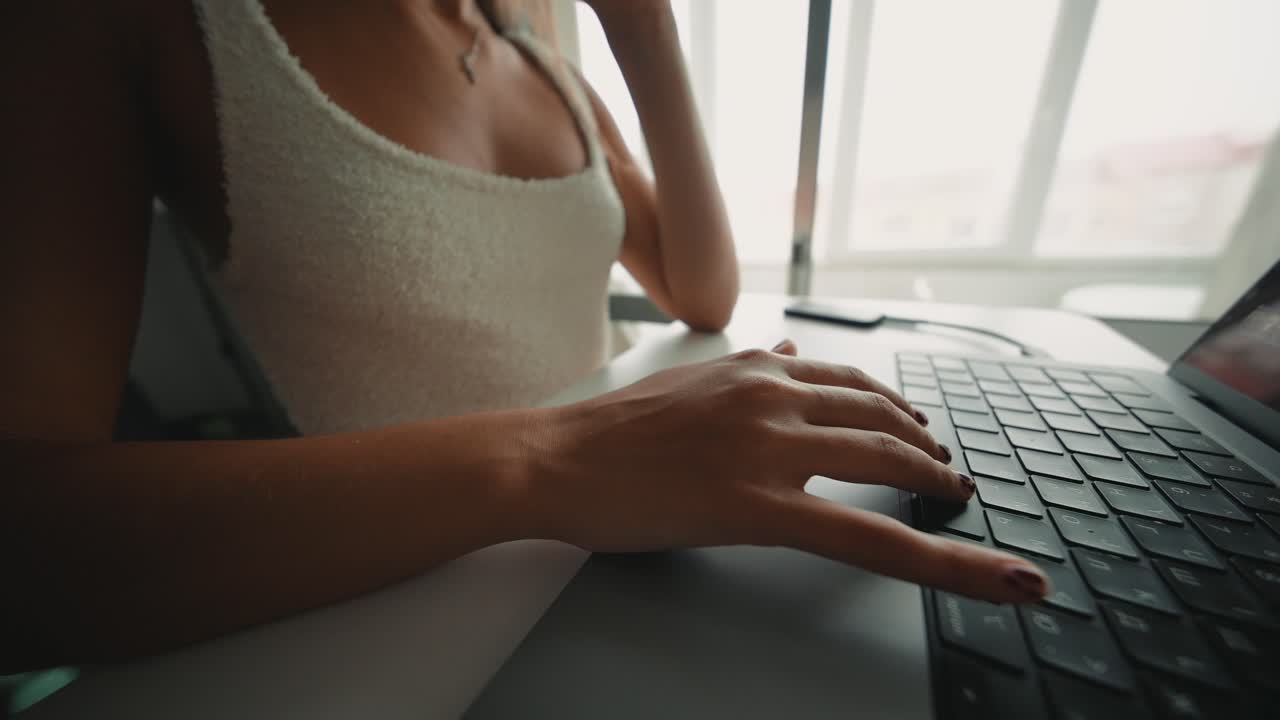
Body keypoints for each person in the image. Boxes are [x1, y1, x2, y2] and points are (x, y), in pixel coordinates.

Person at [0, 0, 1049, 674]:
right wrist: (561, 455)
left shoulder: (541, 63)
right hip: (404, 612)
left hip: (623, 550)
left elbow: (699, 290)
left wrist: (644, 36)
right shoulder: (131, 21)